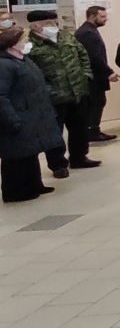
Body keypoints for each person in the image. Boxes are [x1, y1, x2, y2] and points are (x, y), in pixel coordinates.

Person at [27, 10, 98, 176]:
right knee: (54, 133)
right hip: (52, 97)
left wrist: (85, 76)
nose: (53, 26)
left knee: (79, 128)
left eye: (54, 22)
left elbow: (83, 56)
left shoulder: (66, 37)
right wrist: (46, 90)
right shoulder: (30, 44)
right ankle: (58, 164)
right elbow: (31, 72)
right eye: (48, 23)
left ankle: (79, 157)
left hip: (77, 92)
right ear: (35, 25)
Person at [0, 27, 60, 202]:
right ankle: (17, 191)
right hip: (17, 116)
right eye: (23, 40)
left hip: (32, 115)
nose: (27, 43)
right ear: (12, 44)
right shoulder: (4, 64)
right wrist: (12, 119)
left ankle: (34, 184)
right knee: (17, 156)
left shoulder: (24, 60)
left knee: (30, 153)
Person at [75, 5, 119, 143]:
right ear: (92, 16)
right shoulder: (87, 33)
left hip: (94, 75)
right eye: (102, 17)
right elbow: (94, 57)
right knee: (96, 102)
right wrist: (108, 72)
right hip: (92, 77)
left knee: (98, 102)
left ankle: (93, 130)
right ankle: (92, 131)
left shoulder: (89, 31)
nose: (106, 19)